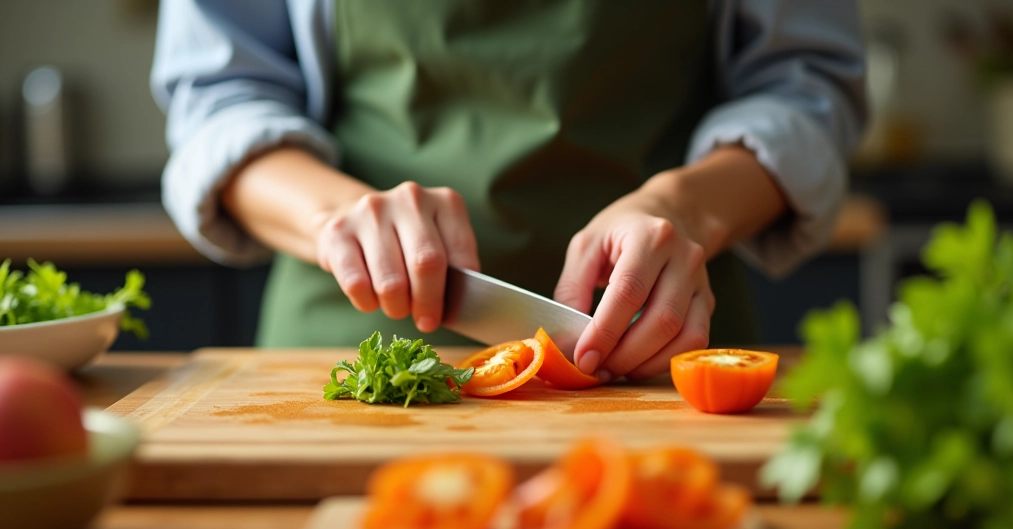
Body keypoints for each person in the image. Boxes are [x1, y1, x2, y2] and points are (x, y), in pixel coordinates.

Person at [151, 0, 865, 382]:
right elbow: (217, 97)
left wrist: (682, 207)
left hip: (663, 344)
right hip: (352, 349)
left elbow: (805, 90)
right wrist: (332, 215)